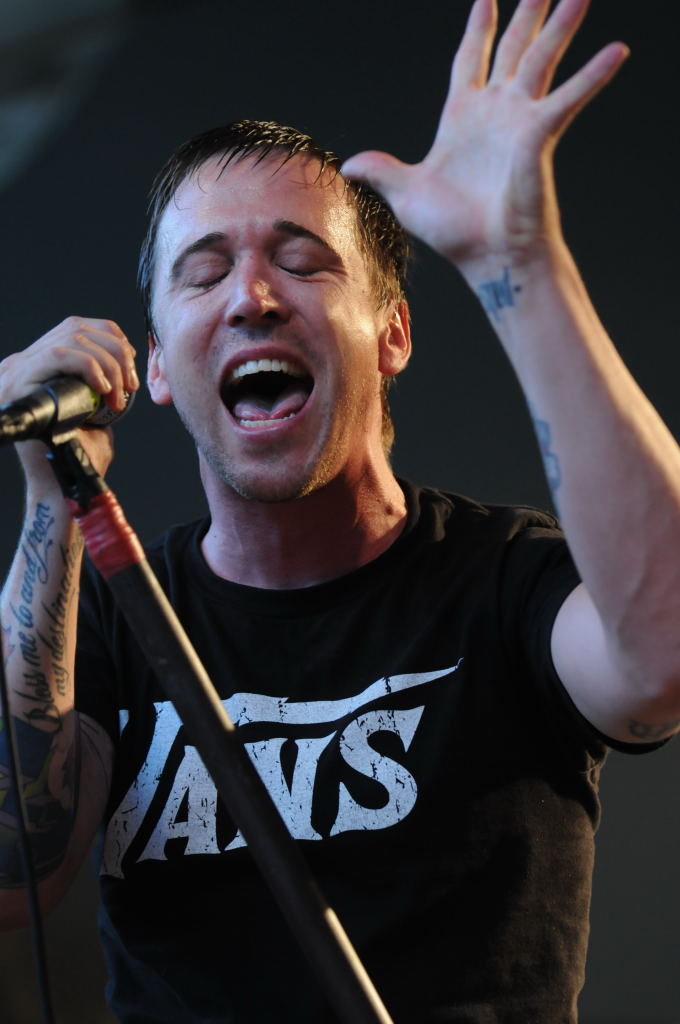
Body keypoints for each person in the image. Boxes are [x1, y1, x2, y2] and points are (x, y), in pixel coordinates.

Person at [1, 0, 679, 1020]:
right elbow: (13, 876)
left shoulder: (503, 582)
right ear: (161, 370)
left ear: (391, 333)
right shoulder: (111, 615)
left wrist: (519, 263)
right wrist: (48, 498)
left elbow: (663, 654)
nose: (253, 297)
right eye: (205, 273)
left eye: (302, 260)